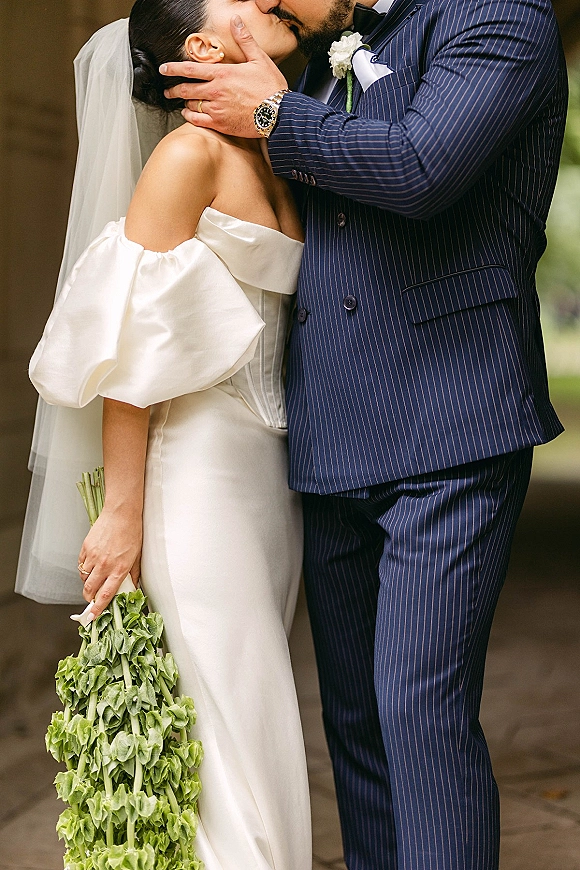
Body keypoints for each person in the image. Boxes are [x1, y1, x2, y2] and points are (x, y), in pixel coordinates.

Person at [159, 0, 568, 868]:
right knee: (356, 723)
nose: (273, 9)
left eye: (276, 3)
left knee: (419, 707)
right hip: (330, 428)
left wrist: (272, 113)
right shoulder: (312, 57)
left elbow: (420, 167)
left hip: (454, 421)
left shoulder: (500, 20)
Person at [17, 3, 312, 869]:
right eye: (239, 1)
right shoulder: (184, 156)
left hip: (268, 486)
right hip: (200, 490)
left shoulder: (268, 141)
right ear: (201, 47)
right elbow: (125, 350)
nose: (264, 2)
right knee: (231, 741)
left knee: (250, 729)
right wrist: (123, 513)